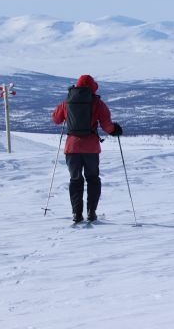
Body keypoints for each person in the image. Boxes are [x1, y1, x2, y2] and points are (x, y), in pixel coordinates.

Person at [52, 75, 122, 223]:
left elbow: (56, 119)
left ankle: (77, 214)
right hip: (91, 148)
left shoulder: (67, 102)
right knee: (93, 179)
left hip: (72, 148)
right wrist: (115, 129)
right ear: (92, 87)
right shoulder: (98, 103)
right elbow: (107, 126)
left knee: (75, 180)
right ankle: (91, 212)